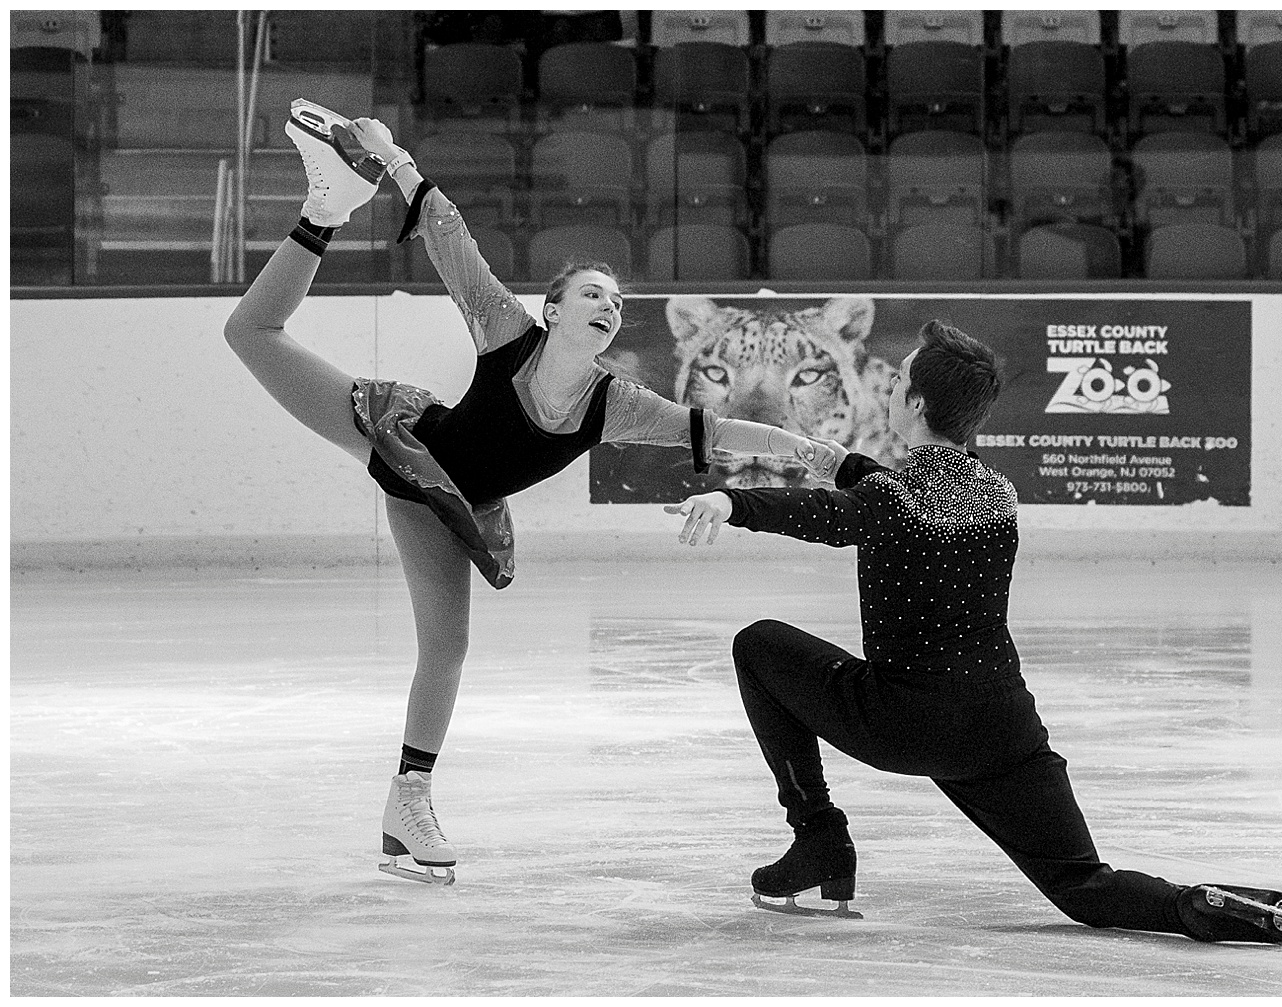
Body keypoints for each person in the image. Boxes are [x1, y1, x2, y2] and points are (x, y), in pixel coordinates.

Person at [224, 100, 838, 886]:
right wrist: (395, 157)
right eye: (590, 294)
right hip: (402, 437)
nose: (607, 306)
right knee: (251, 333)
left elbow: (717, 431)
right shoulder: (507, 329)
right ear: (553, 311)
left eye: (615, 303)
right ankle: (327, 206)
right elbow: (450, 238)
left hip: (446, 506)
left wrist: (810, 453)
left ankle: (407, 796)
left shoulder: (616, 403)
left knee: (446, 649)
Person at [664, 320, 1282, 943]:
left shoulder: (891, 500)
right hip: (999, 730)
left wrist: (732, 500)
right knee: (1084, 886)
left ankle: (819, 834)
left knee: (758, 644)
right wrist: (841, 463)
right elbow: (895, 496)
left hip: (904, 720)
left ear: (916, 406)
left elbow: (835, 516)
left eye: (897, 385)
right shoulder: (996, 494)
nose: (889, 392)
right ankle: (1197, 904)